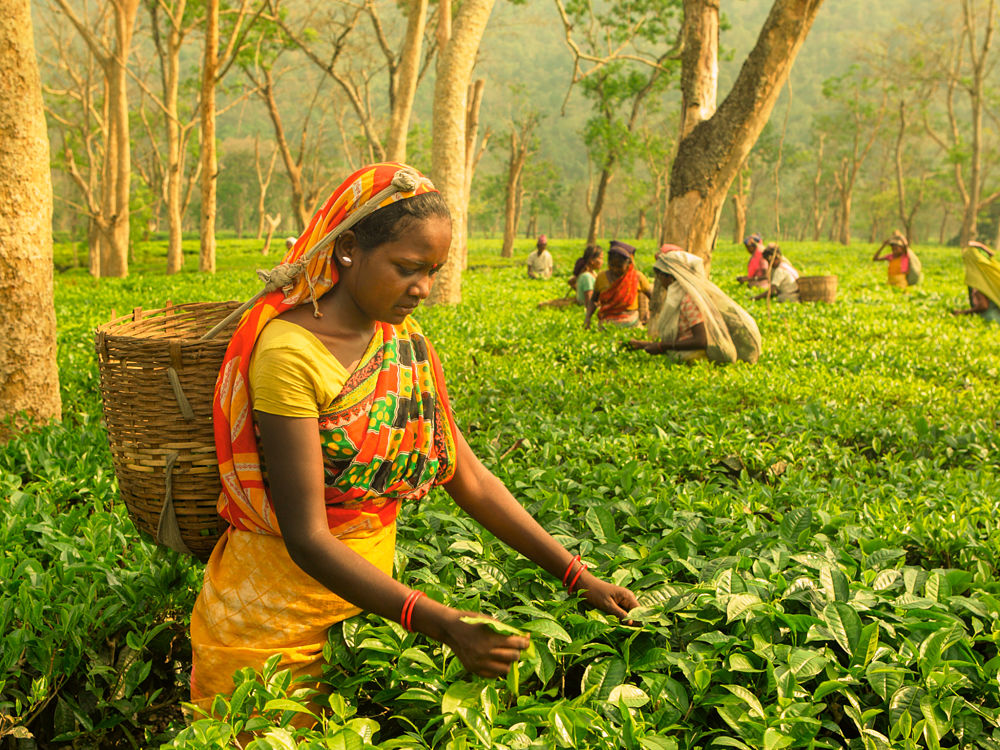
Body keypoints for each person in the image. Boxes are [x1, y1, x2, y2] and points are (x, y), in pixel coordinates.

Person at [190, 163, 638, 722]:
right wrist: (441, 623)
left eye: (434, 271)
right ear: (349, 248)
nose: (423, 288)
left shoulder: (404, 344)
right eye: (407, 268)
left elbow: (469, 478)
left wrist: (578, 576)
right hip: (270, 619)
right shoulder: (290, 352)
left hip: (362, 615)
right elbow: (307, 536)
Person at [628, 249, 762, 364]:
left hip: (696, 357)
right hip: (687, 353)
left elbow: (701, 341)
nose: (659, 280)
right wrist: (645, 345)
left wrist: (661, 346)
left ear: (671, 277)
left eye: (660, 275)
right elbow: (683, 335)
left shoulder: (689, 299)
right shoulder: (681, 296)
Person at [583, 240, 653, 329]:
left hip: (632, 323)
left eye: (619, 267)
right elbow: (593, 300)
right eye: (612, 265)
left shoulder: (637, 277)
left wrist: (649, 311)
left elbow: (653, 297)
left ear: (629, 264)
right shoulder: (601, 277)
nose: (615, 269)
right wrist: (587, 318)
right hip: (607, 324)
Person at [952, 241, 1000, 322]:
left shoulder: (976, 277)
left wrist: (963, 312)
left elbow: (983, 305)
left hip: (991, 319)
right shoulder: (994, 272)